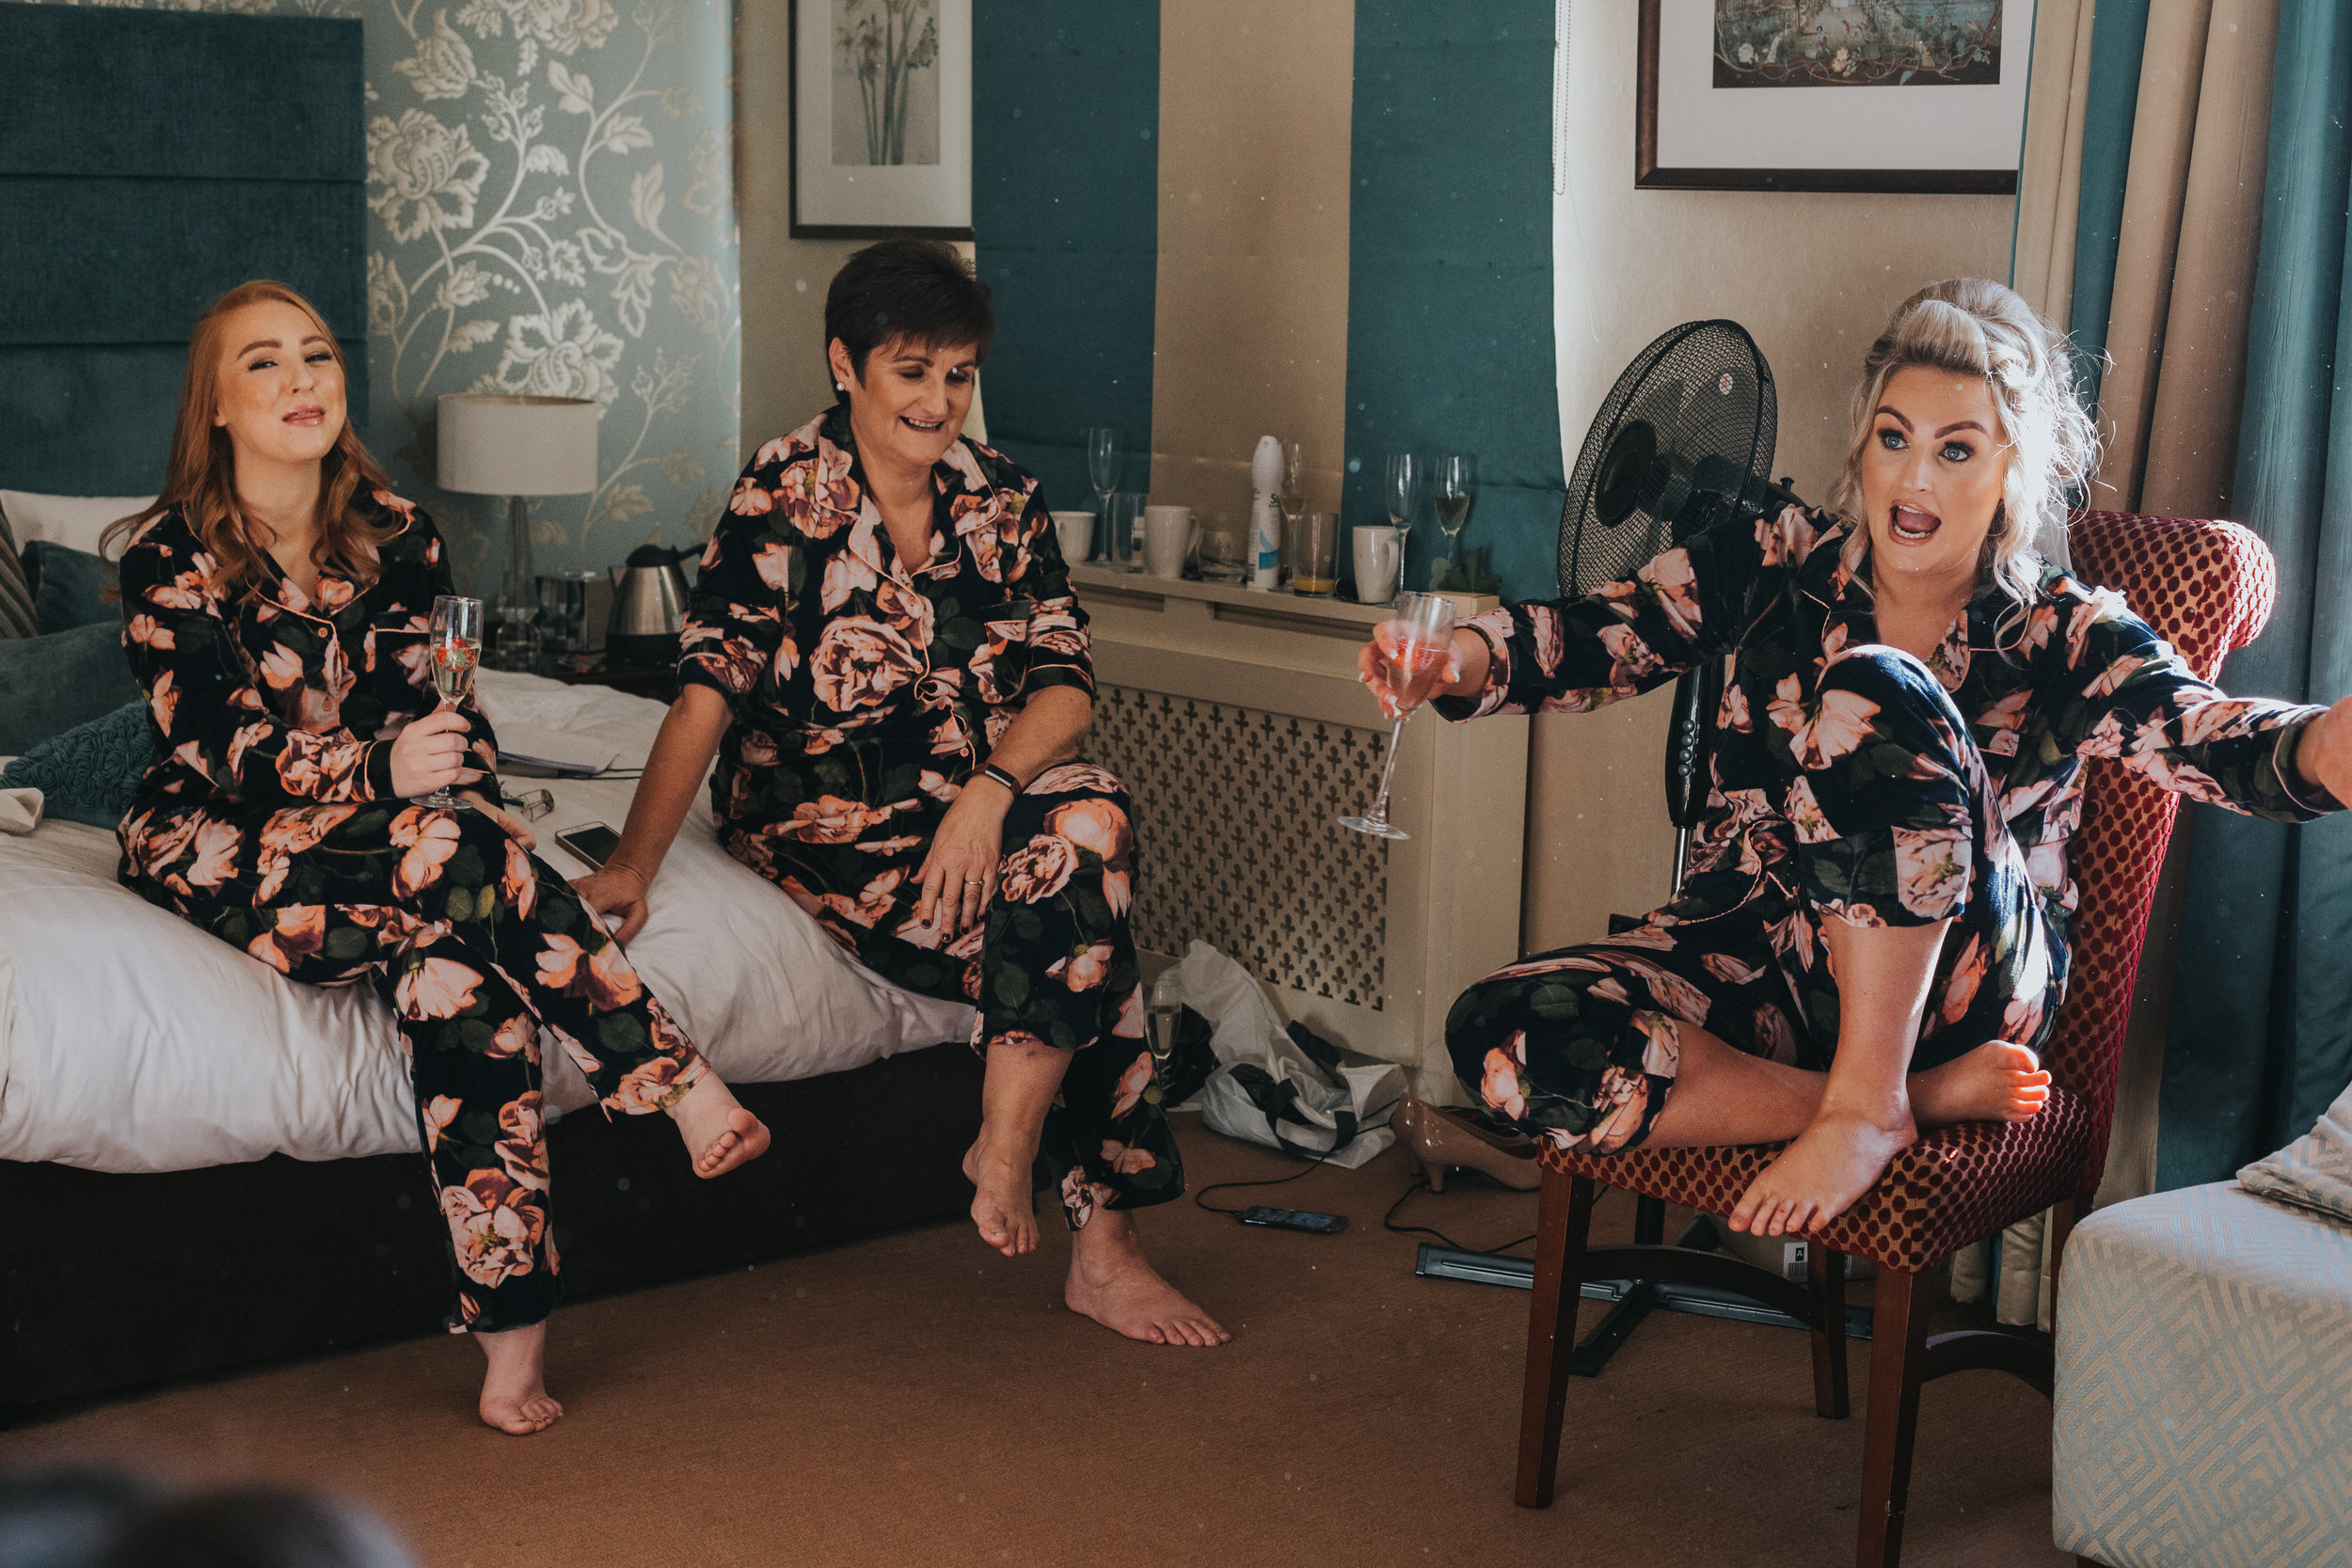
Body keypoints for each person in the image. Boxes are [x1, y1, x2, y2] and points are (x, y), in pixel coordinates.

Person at [1370, 277, 2352, 1236]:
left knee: (1872, 686)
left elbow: (2202, 729)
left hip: (1964, 981)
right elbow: (1598, 632)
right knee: (1499, 1033)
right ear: (1863, 443)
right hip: (1767, 951)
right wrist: (1448, 658)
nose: (1914, 480)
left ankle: (1874, 1092)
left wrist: (2317, 745)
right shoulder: (1771, 558)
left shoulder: (2064, 630)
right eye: (1894, 438)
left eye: (1955, 449)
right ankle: (1885, 1102)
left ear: (2013, 469)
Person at [106, 280, 771, 1435]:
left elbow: (451, 711)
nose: (301, 379)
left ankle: (512, 1336)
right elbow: (213, 743)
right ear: (213, 405)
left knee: (462, 984)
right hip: (221, 840)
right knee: (454, 847)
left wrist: (465, 790)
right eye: (262, 363)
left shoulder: (400, 532)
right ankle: (670, 1076)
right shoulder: (164, 556)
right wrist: (389, 779)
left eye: (316, 354)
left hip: (408, 844)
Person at [573, 238, 1227, 1347]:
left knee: (1093, 819)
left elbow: (1065, 688)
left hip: (978, 795)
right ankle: (1106, 1254)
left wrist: (986, 789)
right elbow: (704, 696)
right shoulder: (782, 495)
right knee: (1087, 932)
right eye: (913, 371)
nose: (939, 401)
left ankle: (1004, 1144)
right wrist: (636, 864)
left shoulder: (1003, 497)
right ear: (846, 363)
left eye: (958, 374)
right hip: (827, 822)